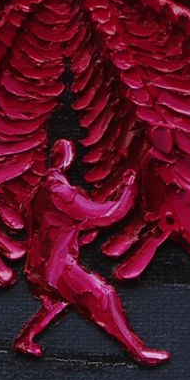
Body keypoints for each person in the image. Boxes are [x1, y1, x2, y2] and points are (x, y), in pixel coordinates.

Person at [13, 139, 168, 366]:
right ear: (68, 160)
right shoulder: (61, 193)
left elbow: (49, 226)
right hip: (57, 268)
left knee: (58, 303)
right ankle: (139, 351)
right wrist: (128, 189)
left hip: (36, 266)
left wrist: (78, 232)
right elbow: (107, 215)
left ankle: (24, 339)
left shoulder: (39, 192)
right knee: (105, 295)